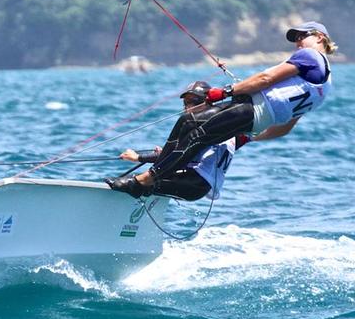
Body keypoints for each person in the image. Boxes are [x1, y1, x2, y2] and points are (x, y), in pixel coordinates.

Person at [106, 21, 336, 198]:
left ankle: (146, 179)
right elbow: (285, 127)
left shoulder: (309, 56)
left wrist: (225, 92)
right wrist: (251, 136)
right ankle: (151, 176)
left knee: (194, 129)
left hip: (250, 109)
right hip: (256, 119)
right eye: (295, 38)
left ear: (320, 37)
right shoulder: (324, 85)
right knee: (190, 123)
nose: (297, 41)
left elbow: (266, 78)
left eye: (301, 36)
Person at [111, 81, 249, 200]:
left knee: (133, 181)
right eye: (186, 102)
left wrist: (138, 157)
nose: (189, 106)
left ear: (209, 102)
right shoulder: (228, 127)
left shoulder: (205, 128)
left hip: (193, 183)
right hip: (196, 184)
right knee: (138, 181)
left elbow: (182, 156)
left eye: (195, 101)